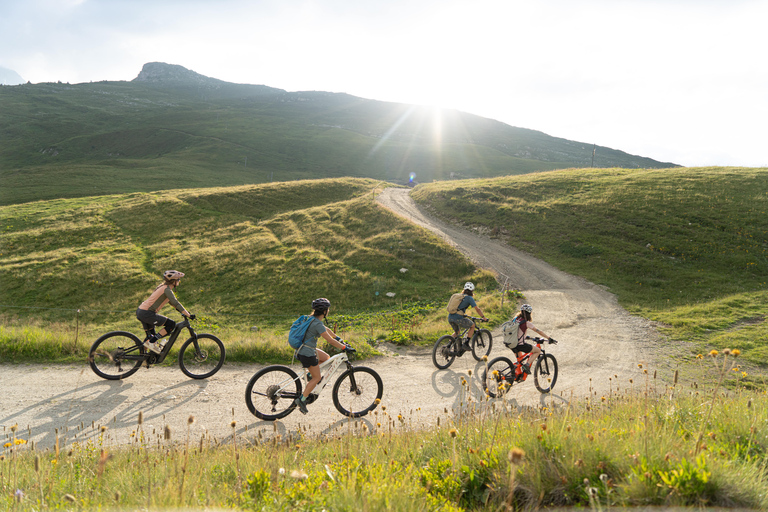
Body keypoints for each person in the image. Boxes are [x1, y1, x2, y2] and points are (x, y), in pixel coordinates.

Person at [293, 297, 355, 415]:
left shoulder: (312, 319)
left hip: (303, 348)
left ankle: (310, 374)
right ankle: (302, 400)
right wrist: (344, 347)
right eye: (328, 309)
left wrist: (338, 338)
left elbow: (326, 330)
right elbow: (330, 341)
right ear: (325, 311)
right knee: (317, 378)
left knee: (326, 358)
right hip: (307, 352)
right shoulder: (317, 323)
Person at [136, 270, 193, 354]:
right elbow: (175, 303)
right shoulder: (167, 290)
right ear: (174, 281)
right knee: (171, 324)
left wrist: (184, 312)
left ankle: (143, 358)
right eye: (178, 280)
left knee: (151, 336)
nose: (179, 281)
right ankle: (151, 343)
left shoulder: (161, 287)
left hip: (141, 311)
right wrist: (189, 315)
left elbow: (172, 304)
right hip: (147, 313)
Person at [504, 303, 554, 374]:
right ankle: (527, 365)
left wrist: (524, 336)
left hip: (510, 343)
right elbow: (539, 331)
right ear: (529, 314)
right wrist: (548, 338)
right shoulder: (526, 323)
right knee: (538, 351)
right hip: (520, 345)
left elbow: (516, 331)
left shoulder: (515, 319)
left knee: (520, 361)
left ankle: (517, 376)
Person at [447, 282, 488, 351]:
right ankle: (466, 343)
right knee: (472, 326)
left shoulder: (459, 296)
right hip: (458, 318)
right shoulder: (469, 298)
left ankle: (447, 347)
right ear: (472, 291)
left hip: (450, 317)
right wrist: (484, 317)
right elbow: (477, 309)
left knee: (457, 332)